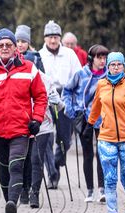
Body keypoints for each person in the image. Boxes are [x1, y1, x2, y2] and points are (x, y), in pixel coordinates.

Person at [0, 28, 47, 213]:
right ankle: (9, 203)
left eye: (9, 44)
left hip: (21, 128)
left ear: (16, 47)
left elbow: (41, 96)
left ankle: (12, 202)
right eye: (1, 45)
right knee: (4, 167)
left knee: (16, 166)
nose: (5, 48)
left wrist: (37, 119)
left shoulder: (29, 68)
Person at [87, 52, 125, 213]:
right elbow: (96, 106)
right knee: (109, 180)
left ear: (124, 66)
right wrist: (89, 124)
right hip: (106, 138)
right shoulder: (101, 84)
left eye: (118, 64)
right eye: (112, 64)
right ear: (107, 66)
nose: (115, 67)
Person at [15, 24, 60, 206]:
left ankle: (35, 192)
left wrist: (52, 102)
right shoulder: (18, 76)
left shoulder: (44, 78)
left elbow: (56, 99)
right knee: (24, 159)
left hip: (43, 124)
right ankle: (24, 190)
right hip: (22, 123)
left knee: (36, 159)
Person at [63, 44, 109, 202]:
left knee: (102, 154)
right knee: (88, 154)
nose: (102, 61)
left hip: (103, 119)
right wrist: (70, 109)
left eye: (104, 58)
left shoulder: (109, 75)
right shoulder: (80, 74)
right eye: (99, 57)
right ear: (91, 58)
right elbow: (67, 90)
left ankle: (102, 189)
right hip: (84, 119)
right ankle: (90, 190)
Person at [39, 20, 82, 188]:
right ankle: (52, 173)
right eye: (49, 37)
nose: (52, 40)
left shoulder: (70, 54)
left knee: (65, 139)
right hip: (46, 99)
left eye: (56, 37)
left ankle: (58, 161)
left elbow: (78, 76)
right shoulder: (39, 55)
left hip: (65, 98)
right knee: (46, 138)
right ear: (44, 38)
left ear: (60, 38)